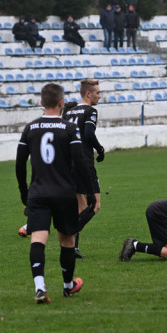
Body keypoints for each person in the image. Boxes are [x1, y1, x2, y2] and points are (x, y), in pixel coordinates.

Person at [15, 83, 93, 303]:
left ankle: (40, 287)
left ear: (41, 102)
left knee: (38, 239)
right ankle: (68, 286)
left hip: (38, 193)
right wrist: (87, 192)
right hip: (64, 193)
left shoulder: (30, 128)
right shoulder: (69, 129)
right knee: (67, 240)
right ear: (61, 103)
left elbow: (20, 164)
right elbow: (80, 162)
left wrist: (24, 193)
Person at [64, 79, 105, 259]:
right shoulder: (90, 111)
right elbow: (89, 134)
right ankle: (68, 237)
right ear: (88, 94)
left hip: (69, 162)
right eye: (97, 93)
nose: (100, 96)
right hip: (84, 164)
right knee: (94, 205)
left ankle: (72, 248)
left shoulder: (69, 112)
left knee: (80, 207)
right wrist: (100, 149)